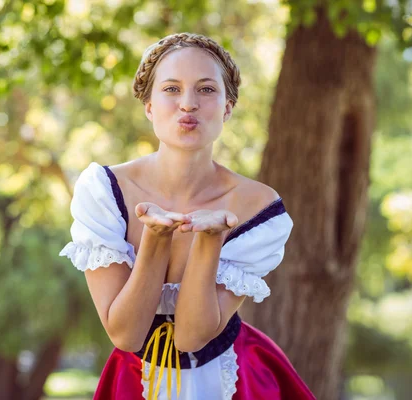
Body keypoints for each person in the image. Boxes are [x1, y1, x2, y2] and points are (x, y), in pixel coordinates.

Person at [60, 32, 316, 400]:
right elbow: (126, 335)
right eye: (171, 89)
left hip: (236, 378)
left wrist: (210, 239)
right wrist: (156, 237)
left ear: (228, 107)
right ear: (148, 106)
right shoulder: (105, 191)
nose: (188, 104)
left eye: (207, 89)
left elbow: (192, 336)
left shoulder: (260, 207)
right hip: (135, 379)